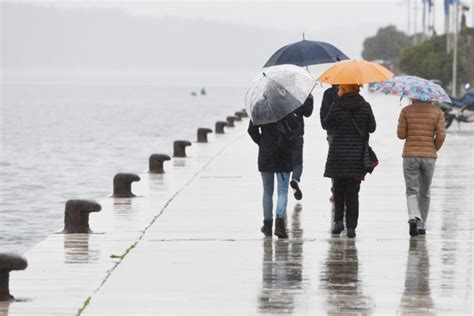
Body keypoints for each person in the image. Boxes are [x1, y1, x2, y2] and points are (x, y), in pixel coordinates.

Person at [322, 84, 376, 238]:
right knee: (353, 193)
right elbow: (372, 127)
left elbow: (326, 124)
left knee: (338, 190)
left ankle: (338, 222)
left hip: (338, 155)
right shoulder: (365, 106)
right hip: (357, 156)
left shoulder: (336, 106)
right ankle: (351, 227)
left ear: (344, 89)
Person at [397, 99, 446, 236]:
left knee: (412, 190)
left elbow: (401, 135)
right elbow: (441, 135)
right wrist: (433, 148)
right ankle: (421, 225)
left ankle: (413, 216)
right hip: (429, 157)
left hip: (410, 156)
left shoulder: (406, 111)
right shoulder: (438, 112)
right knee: (425, 191)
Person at [248, 113, 297, 239]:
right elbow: (295, 126)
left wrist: (262, 142)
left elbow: (251, 130)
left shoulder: (260, 107)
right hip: (283, 153)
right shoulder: (286, 106)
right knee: (283, 191)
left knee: (267, 191)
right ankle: (279, 225)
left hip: (266, 154)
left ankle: (267, 225)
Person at [289, 94, 314, 200]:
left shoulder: (278, 98)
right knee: (298, 163)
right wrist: (309, 99)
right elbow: (307, 112)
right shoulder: (298, 95)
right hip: (297, 134)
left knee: (284, 167)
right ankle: (295, 179)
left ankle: (283, 190)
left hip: (282, 136)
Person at [320, 85, 339, 201]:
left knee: (334, 162)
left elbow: (323, 115)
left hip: (332, 133)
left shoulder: (328, 93)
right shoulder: (352, 92)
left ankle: (336, 191)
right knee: (349, 161)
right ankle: (346, 191)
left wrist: (326, 126)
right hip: (349, 134)